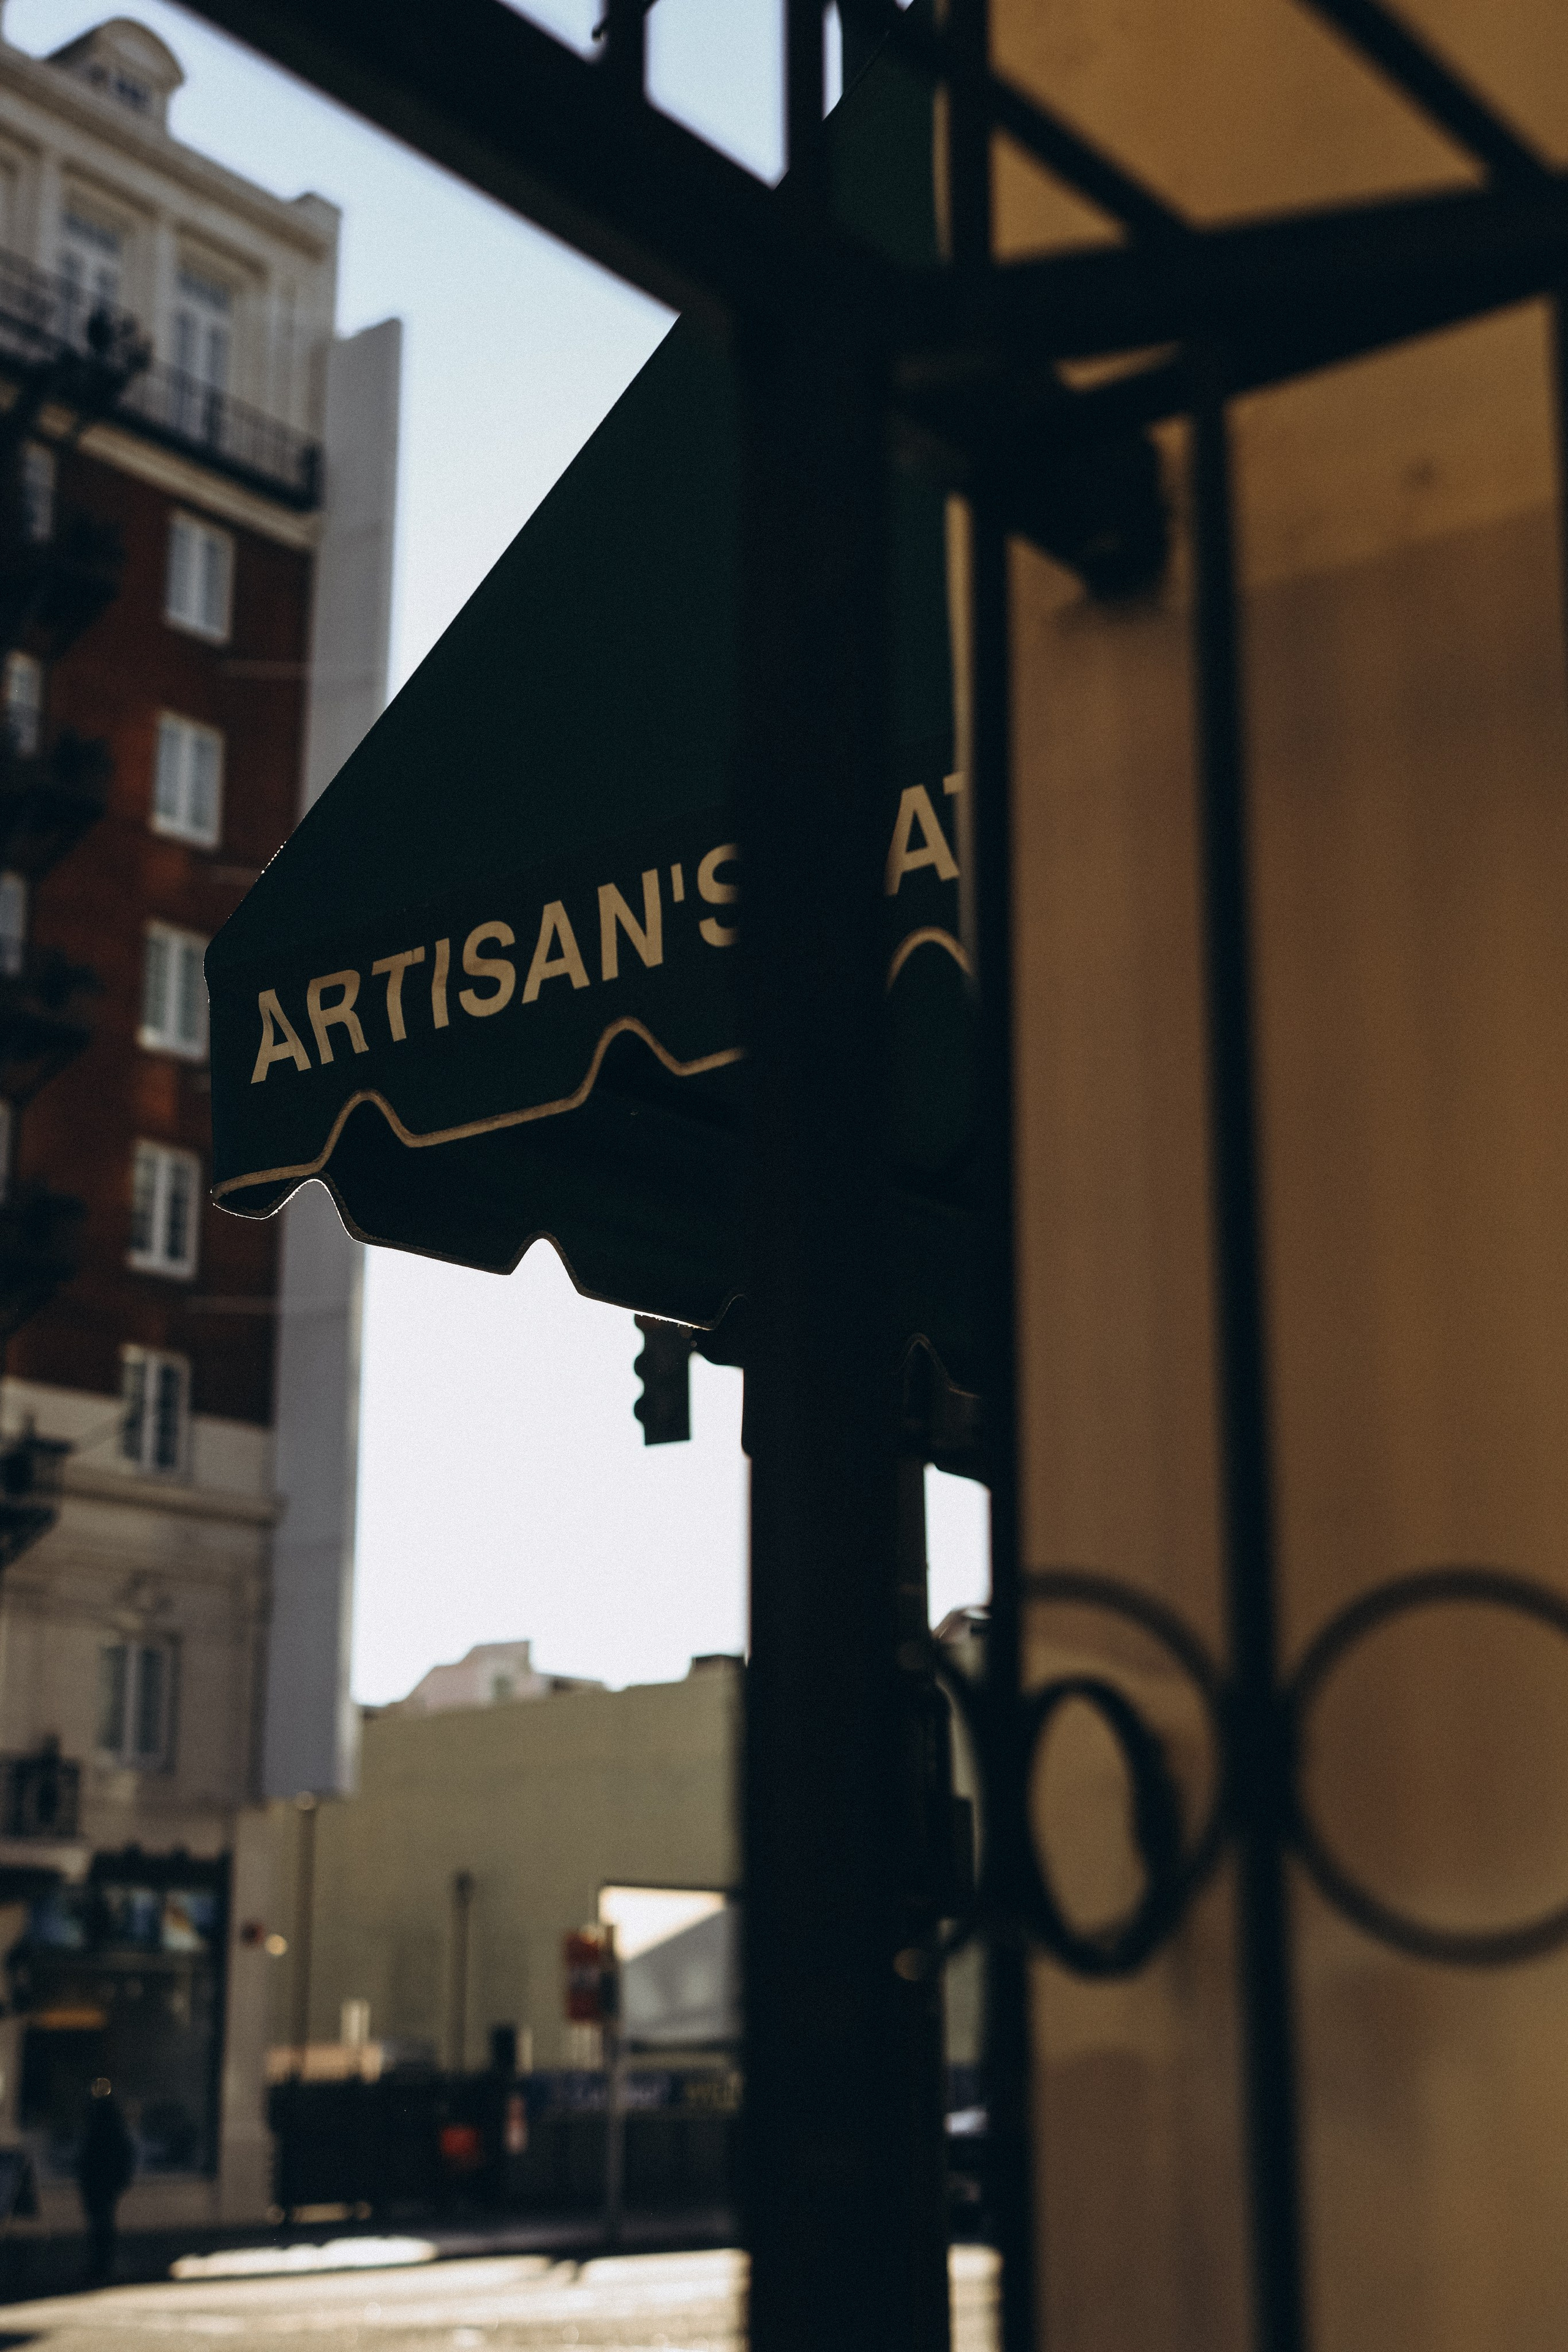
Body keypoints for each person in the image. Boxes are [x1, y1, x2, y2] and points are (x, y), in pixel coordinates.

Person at [74, 2078, 134, 2286]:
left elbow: (88, 2156)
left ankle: (99, 2264)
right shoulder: (113, 2126)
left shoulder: (95, 2128)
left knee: (99, 2223)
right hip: (105, 2182)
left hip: (97, 2181)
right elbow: (125, 2154)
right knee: (104, 2223)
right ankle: (101, 2264)